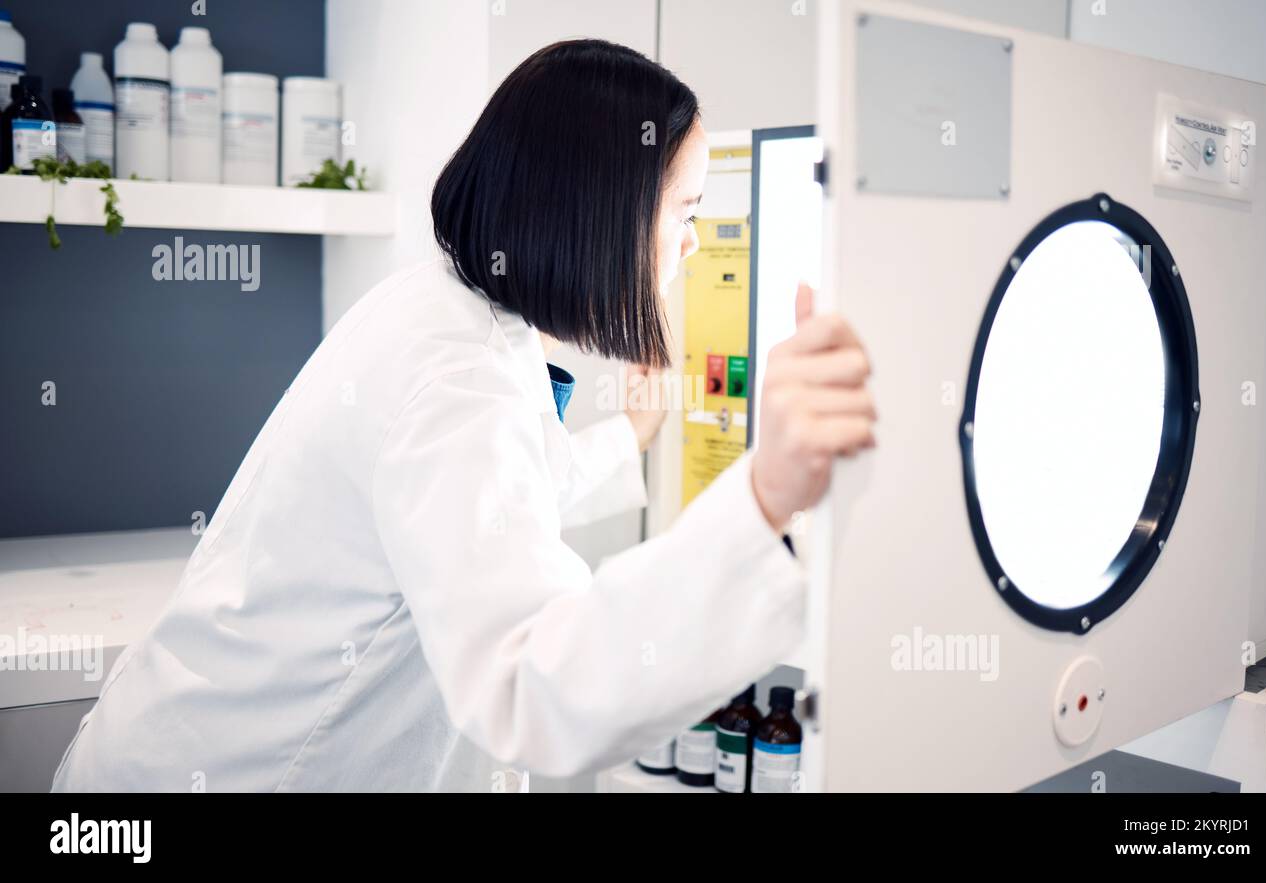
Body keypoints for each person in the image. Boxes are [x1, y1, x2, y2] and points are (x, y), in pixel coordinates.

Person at [51, 39, 875, 792]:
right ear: (598, 208)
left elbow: (503, 499)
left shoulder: (446, 314)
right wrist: (766, 499)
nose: (694, 245)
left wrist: (629, 436)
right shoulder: (456, 375)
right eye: (686, 212)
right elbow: (531, 690)